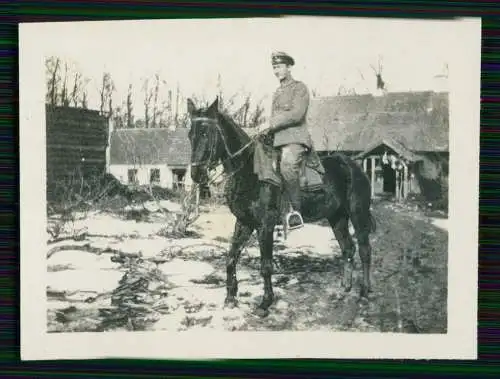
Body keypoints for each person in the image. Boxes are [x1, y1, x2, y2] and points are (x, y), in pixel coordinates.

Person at [258, 51, 313, 230]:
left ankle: (296, 212)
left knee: (287, 166)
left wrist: (270, 123)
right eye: (274, 67)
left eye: (279, 66)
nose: (276, 71)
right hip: (277, 140)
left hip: (295, 138)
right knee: (258, 164)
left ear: (289, 67)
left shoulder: (299, 88)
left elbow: (296, 115)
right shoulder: (277, 92)